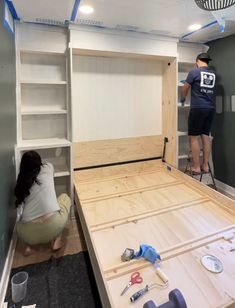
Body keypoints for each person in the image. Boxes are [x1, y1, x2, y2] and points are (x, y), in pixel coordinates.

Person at [14, 151, 71, 256]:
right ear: (39, 162)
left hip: (27, 234)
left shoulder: (21, 181)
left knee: (19, 225)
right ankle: (56, 239)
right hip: (53, 226)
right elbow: (47, 165)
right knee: (65, 198)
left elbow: (20, 206)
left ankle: (28, 245)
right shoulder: (48, 168)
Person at [181, 52, 216, 174]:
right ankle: (205, 166)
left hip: (198, 108)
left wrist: (183, 98)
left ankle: (196, 167)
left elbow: (185, 87)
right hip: (210, 108)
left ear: (197, 61)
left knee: (194, 138)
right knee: (205, 136)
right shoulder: (213, 74)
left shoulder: (194, 72)